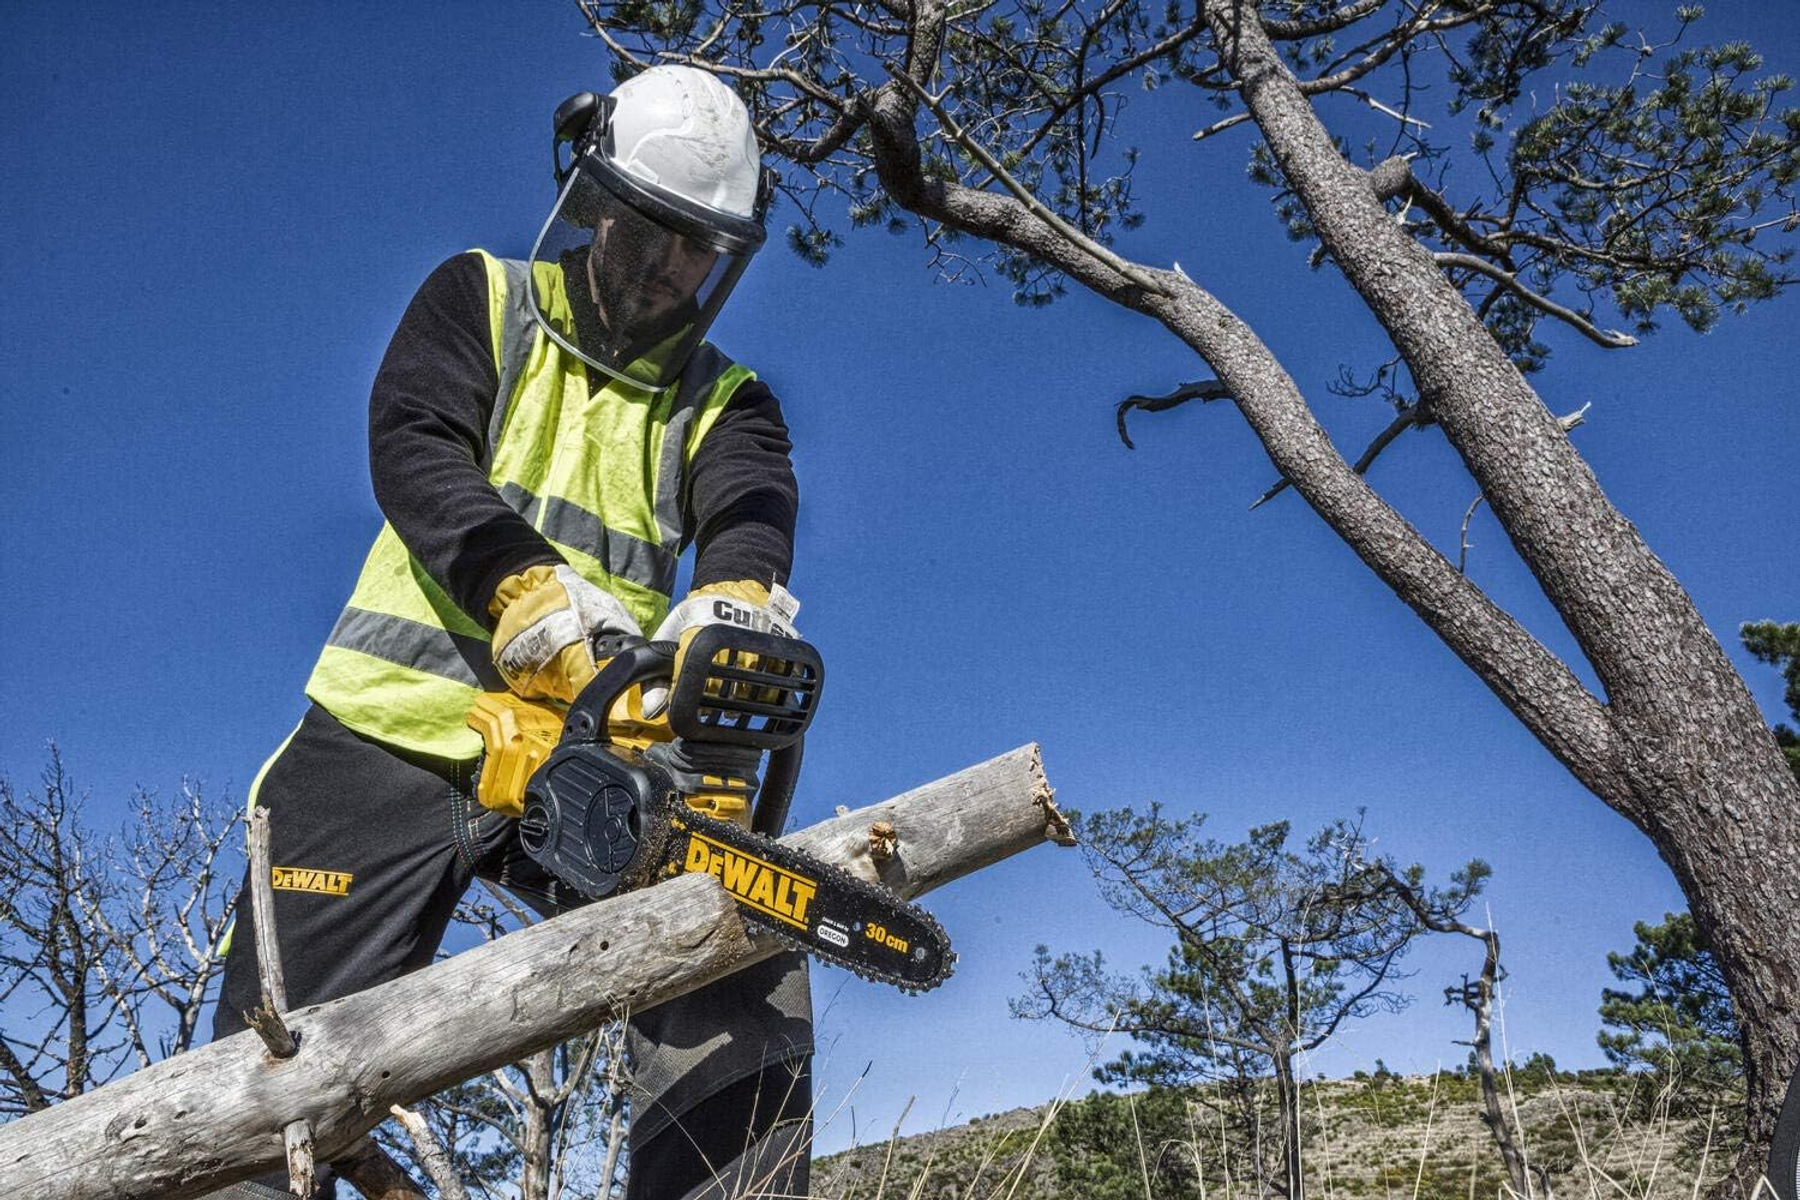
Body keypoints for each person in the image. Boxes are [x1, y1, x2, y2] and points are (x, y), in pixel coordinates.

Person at [207, 66, 813, 1199]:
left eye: (707, 248)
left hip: (587, 759)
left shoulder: (729, 402)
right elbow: (416, 443)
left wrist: (734, 599)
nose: (682, 268)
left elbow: (751, 503)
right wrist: (521, 587)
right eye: (663, 235)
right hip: (386, 737)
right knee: (258, 1084)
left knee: (737, 948)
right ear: (600, 205)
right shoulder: (480, 299)